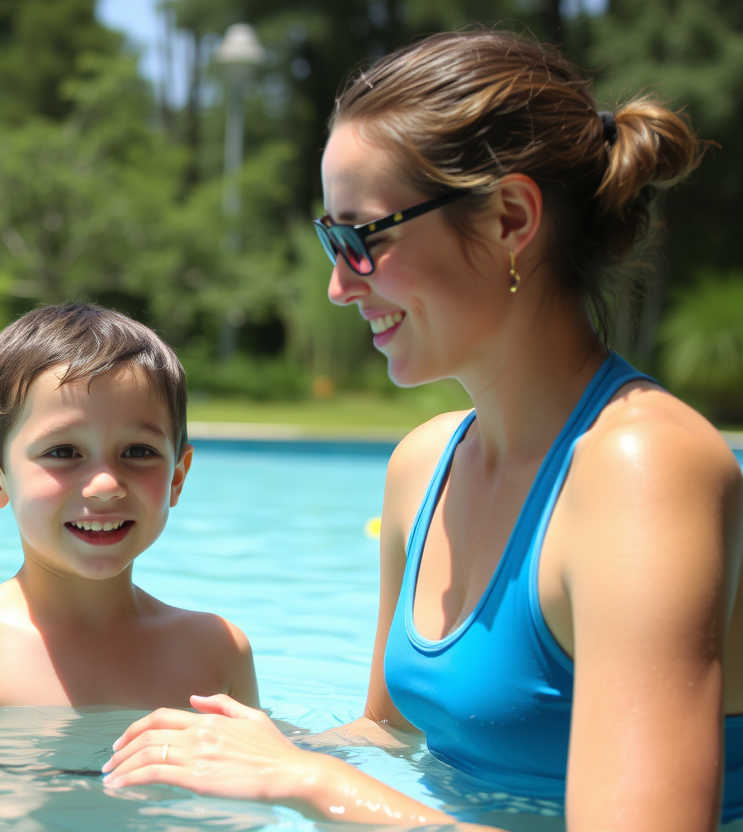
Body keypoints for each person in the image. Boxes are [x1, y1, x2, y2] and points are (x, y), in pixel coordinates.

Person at [102, 30, 743, 831]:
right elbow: (390, 735)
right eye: (329, 240)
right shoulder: (424, 464)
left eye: (360, 238)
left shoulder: (643, 468)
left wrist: (306, 784)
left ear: (511, 216)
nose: (338, 286)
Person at [0, 302, 259, 711]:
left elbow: (280, 761)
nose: (106, 486)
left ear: (176, 478)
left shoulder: (216, 651)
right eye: (63, 451)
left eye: (138, 451)